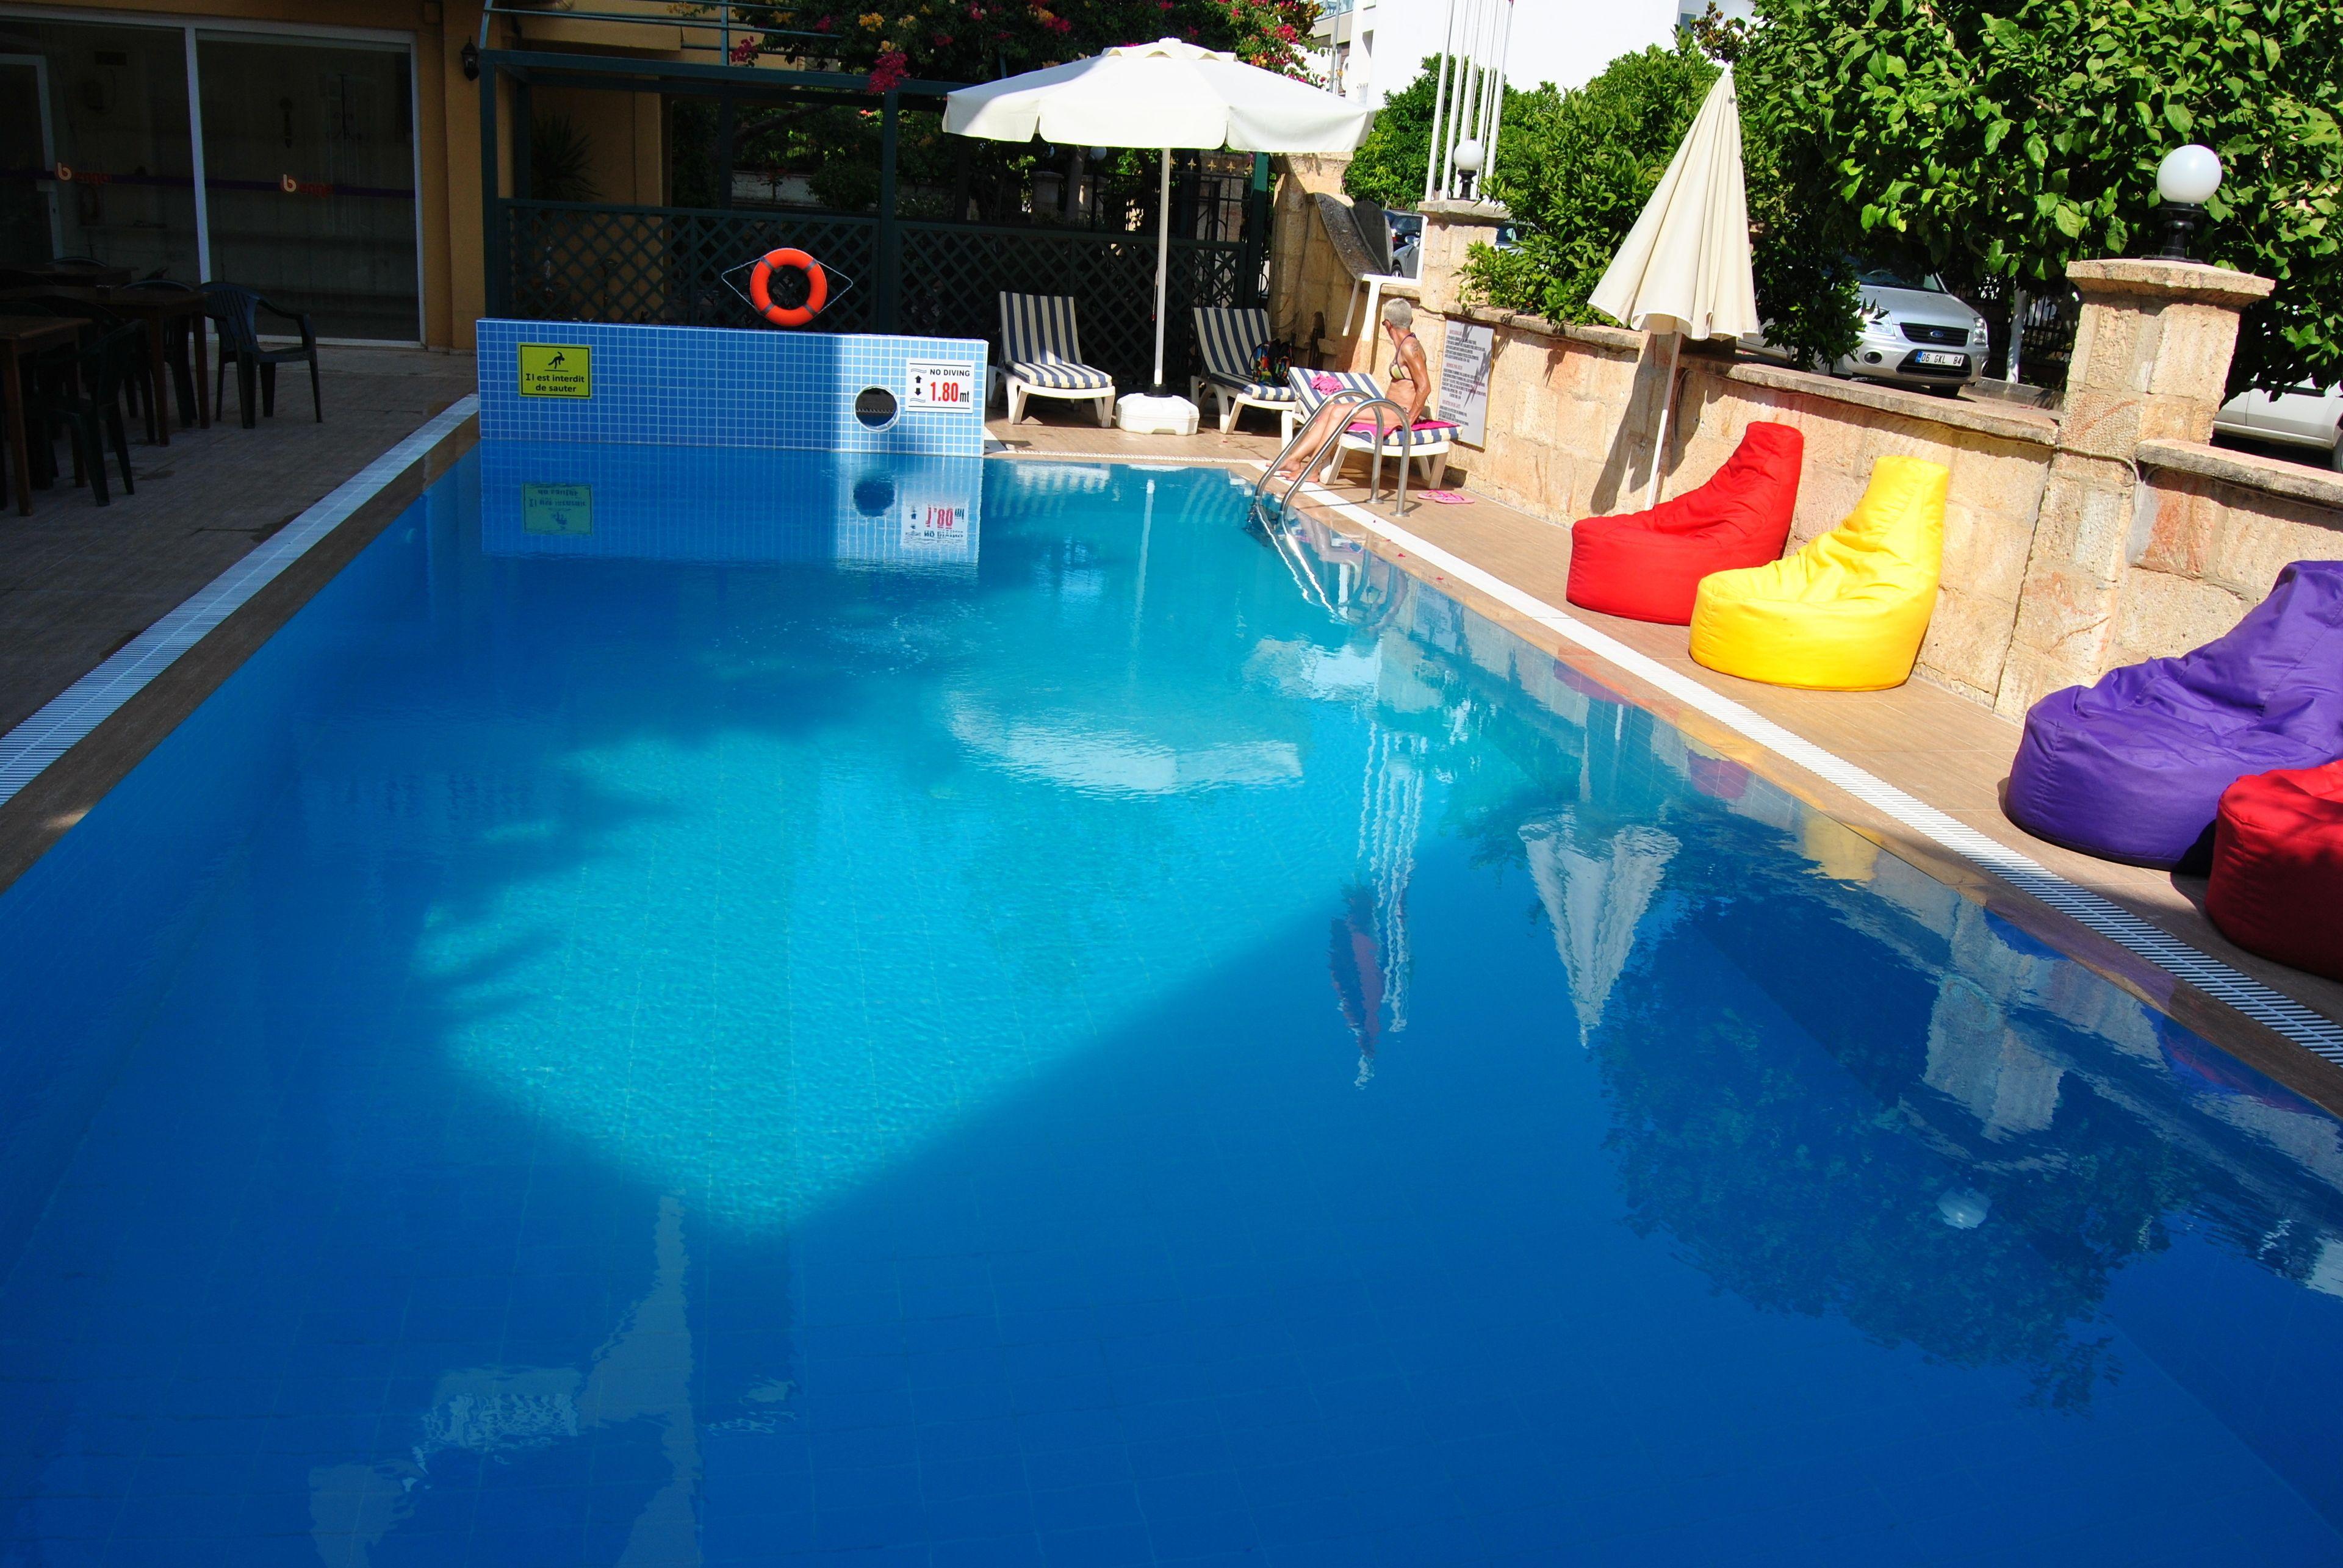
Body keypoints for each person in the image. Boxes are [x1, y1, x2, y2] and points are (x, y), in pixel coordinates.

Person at [1272, 297, 1434, 483]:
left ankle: (1313, 470)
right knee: (1330, 409)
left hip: (1400, 413)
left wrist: (1409, 420)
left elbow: (1425, 387)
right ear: (1409, 320)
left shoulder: (1410, 347)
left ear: (1388, 325)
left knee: (1339, 413)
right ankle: (1293, 459)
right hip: (1390, 408)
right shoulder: (1405, 345)